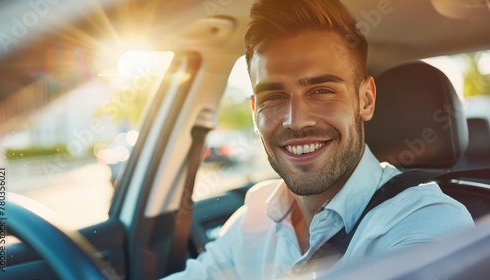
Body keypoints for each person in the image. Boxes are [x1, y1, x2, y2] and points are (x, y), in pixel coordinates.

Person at [164, 0, 474, 278]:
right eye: (273, 96)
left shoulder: (428, 223)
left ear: (365, 100)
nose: (295, 120)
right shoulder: (256, 213)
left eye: (322, 91)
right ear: (255, 110)